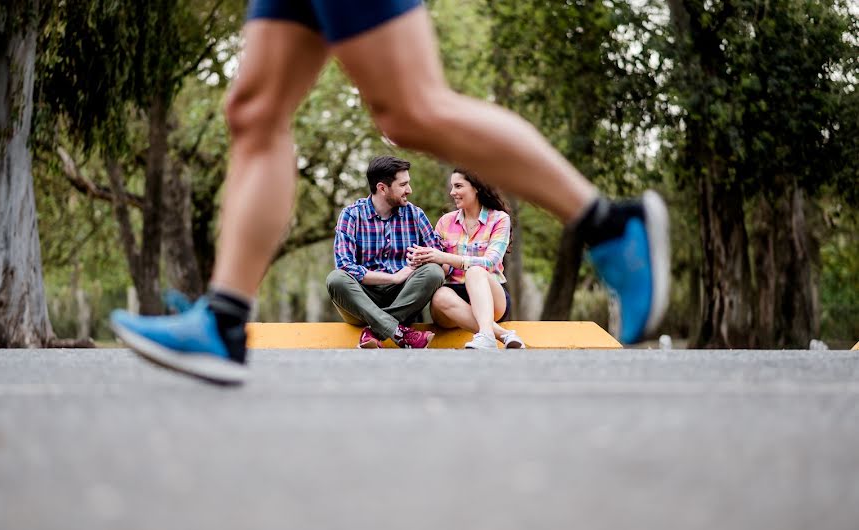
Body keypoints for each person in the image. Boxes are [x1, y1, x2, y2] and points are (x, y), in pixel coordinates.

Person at [110, 0, 670, 384]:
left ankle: (611, 225)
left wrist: (419, 268)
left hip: (410, 290)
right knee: (254, 110)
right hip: (375, 293)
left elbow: (437, 260)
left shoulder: (420, 216)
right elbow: (345, 267)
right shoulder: (357, 213)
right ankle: (224, 320)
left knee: (412, 109)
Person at [325, 155, 443, 349]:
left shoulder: (415, 214)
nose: (409, 190)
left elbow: (438, 254)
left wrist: (422, 258)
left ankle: (376, 331)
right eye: (403, 184)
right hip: (362, 299)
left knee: (434, 272)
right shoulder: (351, 215)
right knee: (336, 279)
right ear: (382, 188)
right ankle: (399, 332)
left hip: (403, 297)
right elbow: (345, 265)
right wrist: (394, 278)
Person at [407, 168, 524, 350]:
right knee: (438, 296)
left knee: (476, 271)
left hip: (491, 296)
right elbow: (443, 268)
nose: (452, 192)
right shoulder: (445, 221)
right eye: (452, 186)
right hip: (451, 302)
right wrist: (424, 258)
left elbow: (490, 262)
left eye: (458, 186)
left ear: (476, 187)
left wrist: (444, 256)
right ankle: (499, 334)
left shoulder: (499, 219)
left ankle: (486, 335)